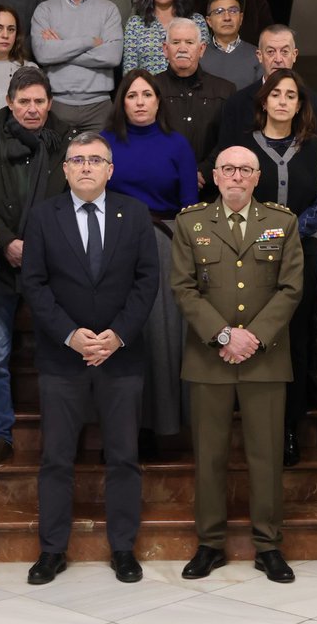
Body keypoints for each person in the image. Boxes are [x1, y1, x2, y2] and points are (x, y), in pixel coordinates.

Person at [20, 132, 160, 585]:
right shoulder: (43, 217)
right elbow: (34, 285)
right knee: (57, 458)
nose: (85, 167)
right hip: (62, 359)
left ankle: (123, 548)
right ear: (65, 169)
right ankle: (51, 550)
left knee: (122, 456)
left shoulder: (135, 215)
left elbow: (146, 281)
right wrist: (69, 334)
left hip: (121, 357)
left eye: (95, 160)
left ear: (109, 169)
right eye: (77, 160)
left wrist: (116, 336)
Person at [171, 146, 304, 583]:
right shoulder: (190, 223)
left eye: (245, 169)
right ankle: (209, 543)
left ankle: (268, 545)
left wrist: (253, 338)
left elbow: (290, 289)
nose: (236, 176)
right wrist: (225, 335)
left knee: (265, 456)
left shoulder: (282, 223)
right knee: (209, 457)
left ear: (256, 177)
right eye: (228, 169)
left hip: (265, 358)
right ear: (214, 175)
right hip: (209, 357)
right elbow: (184, 289)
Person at [0, 66, 73, 467]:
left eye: (39, 101)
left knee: (59, 354)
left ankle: (62, 435)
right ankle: (1, 433)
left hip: (54, 267)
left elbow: (80, 196)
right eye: (23, 101)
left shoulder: (69, 141)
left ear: (50, 103)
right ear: (9, 103)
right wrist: (6, 240)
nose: (31, 109)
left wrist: (39, 247)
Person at [230, 69, 317, 466]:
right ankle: (253, 427)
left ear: (299, 104)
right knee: (253, 337)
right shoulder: (243, 148)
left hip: (301, 257)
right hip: (248, 257)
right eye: (276, 94)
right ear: (264, 101)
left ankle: (288, 429)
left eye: (291, 95)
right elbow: (234, 194)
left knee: (295, 343)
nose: (282, 101)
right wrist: (265, 235)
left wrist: (288, 232)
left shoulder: (314, 149)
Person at [102, 70, 198, 437]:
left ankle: (162, 425)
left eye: (147, 94)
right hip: (114, 241)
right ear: (121, 102)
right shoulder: (105, 142)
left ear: (159, 101)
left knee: (162, 335)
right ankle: (123, 426)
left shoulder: (177, 145)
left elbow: (190, 205)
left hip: (165, 240)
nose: (140, 101)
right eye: (132, 95)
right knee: (123, 329)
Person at [31, 0, 123, 133]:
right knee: (57, 163)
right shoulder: (45, 10)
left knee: (102, 162)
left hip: (99, 107)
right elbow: (43, 55)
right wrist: (88, 42)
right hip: (57, 104)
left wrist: (60, 48)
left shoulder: (108, 10)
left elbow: (112, 57)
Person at [151, 18, 236, 192]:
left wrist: (201, 172)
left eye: (189, 42)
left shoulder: (225, 90)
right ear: (165, 49)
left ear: (201, 49)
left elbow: (229, 140)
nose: (182, 48)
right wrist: (173, 174)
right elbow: (143, 139)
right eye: (175, 42)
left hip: (211, 189)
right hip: (160, 185)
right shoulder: (150, 88)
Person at [216, 24, 317, 150]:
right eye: (270, 52)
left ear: (294, 55)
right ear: (259, 56)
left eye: (285, 52)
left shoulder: (314, 103)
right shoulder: (237, 103)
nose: (278, 59)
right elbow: (226, 154)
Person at [123, 0, 209, 75]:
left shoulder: (196, 21)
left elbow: (205, 64)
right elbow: (130, 71)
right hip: (149, 90)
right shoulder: (135, 24)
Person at [199, 0, 262, 91]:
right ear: (209, 21)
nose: (227, 17)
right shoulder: (198, 55)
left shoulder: (258, 56)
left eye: (233, 11)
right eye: (219, 12)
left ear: (241, 18)